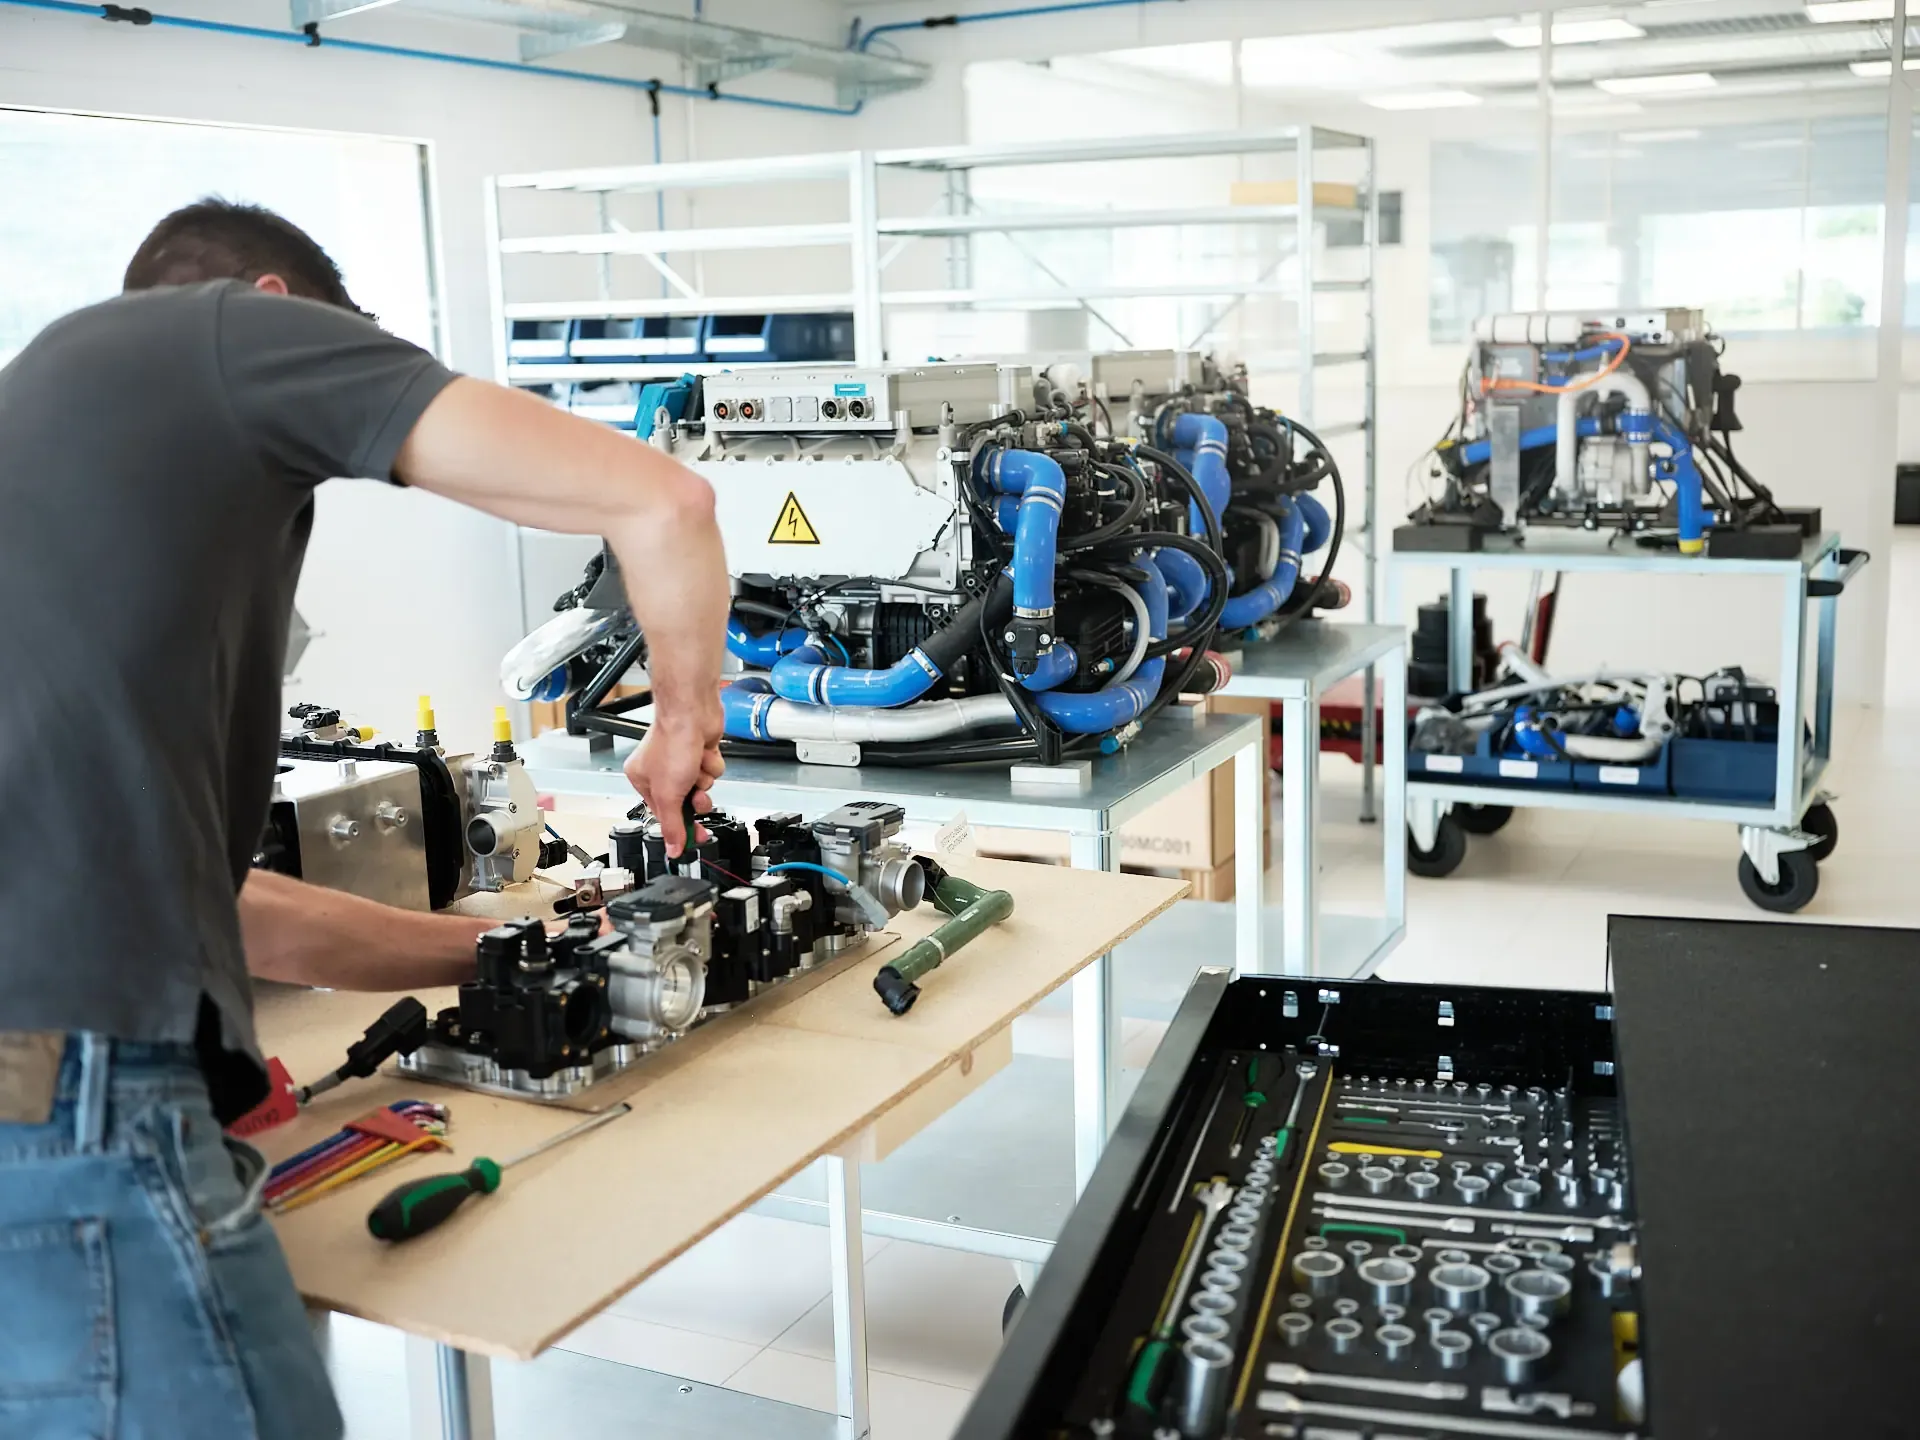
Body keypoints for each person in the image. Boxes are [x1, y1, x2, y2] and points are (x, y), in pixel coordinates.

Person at [0, 199, 728, 1439]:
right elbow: (664, 503)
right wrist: (682, 721)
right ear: (278, 312)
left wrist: (509, 949)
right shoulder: (227, 336)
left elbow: (236, 920)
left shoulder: (51, 434)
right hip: (66, 1086)